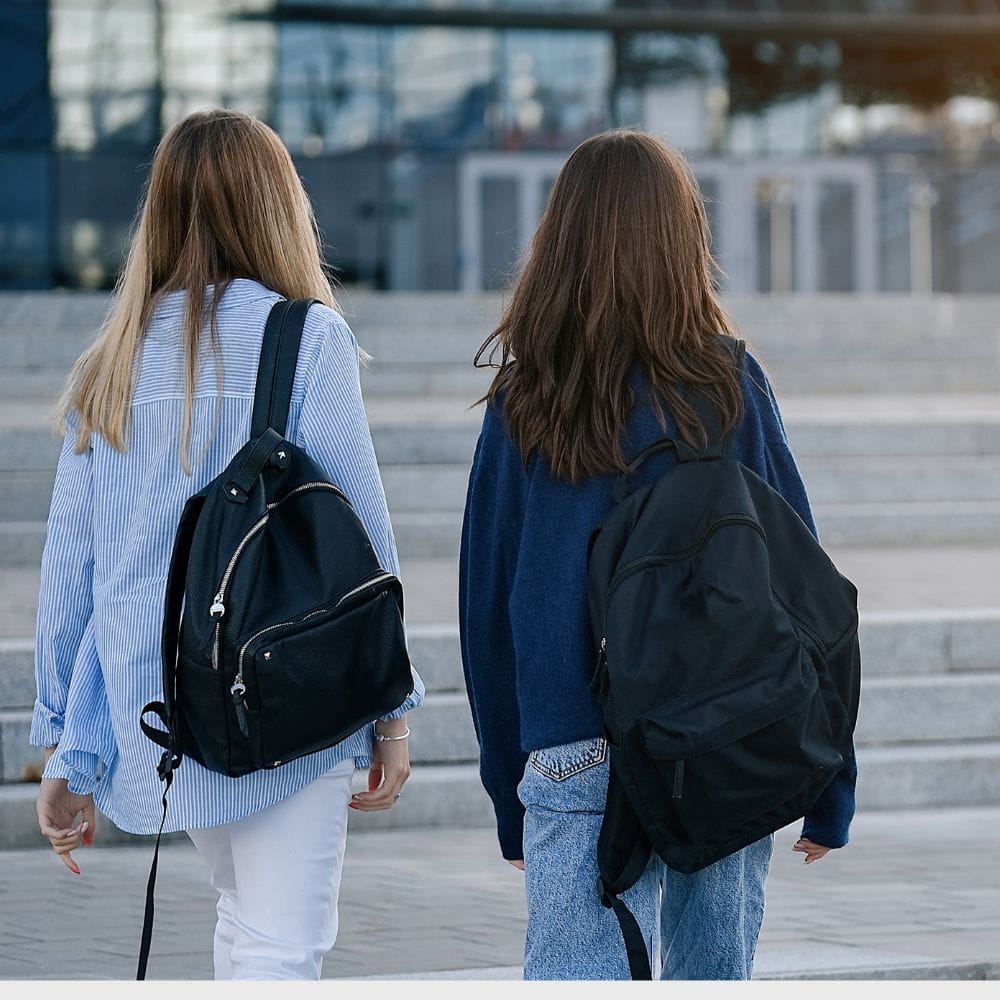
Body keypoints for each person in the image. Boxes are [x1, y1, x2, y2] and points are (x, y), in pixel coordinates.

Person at [30, 108, 424, 981]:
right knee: (281, 945)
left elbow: (72, 573)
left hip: (168, 710)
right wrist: (391, 710)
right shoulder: (307, 339)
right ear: (276, 207)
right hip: (293, 694)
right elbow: (362, 533)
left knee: (246, 924)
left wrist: (68, 741)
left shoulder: (113, 364)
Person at [459, 128, 857, 981]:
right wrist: (829, 782)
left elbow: (488, 611)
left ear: (558, 241)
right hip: (723, 724)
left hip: (573, 742)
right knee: (712, 976)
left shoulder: (527, 399)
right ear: (685, 241)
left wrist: (509, 793)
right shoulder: (727, 387)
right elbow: (806, 592)